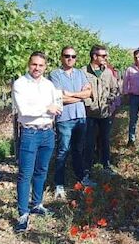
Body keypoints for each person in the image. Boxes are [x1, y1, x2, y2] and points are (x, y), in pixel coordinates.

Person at [12, 52, 62, 233]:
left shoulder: (49, 85)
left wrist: (51, 110)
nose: (37, 68)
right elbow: (24, 111)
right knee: (25, 174)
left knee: (42, 171)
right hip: (30, 133)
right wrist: (46, 109)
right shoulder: (20, 84)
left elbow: (57, 106)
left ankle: (37, 204)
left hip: (48, 132)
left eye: (41, 65)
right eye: (34, 64)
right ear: (28, 64)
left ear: (45, 67)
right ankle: (23, 214)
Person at [49, 46, 92, 199]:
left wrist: (72, 94)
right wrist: (80, 97)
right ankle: (59, 184)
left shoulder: (80, 73)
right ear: (61, 57)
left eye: (73, 56)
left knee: (78, 150)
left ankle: (81, 178)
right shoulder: (55, 74)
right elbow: (59, 97)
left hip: (80, 117)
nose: (70, 58)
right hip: (64, 118)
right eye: (67, 56)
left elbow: (89, 93)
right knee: (62, 151)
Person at [83, 45, 121, 178]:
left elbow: (115, 88)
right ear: (94, 56)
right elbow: (81, 91)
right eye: (103, 56)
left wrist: (109, 100)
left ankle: (105, 165)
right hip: (89, 114)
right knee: (89, 142)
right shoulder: (83, 72)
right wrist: (88, 103)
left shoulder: (108, 72)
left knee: (105, 141)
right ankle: (87, 168)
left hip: (104, 113)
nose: (106, 58)